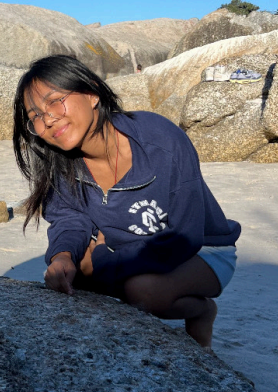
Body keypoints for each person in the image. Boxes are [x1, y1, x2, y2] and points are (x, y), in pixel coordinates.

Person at [12, 55, 240, 348]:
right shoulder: (62, 161)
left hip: (201, 249)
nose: (48, 120)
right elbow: (69, 217)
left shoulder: (159, 140)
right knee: (73, 273)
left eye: (55, 101)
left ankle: (201, 311)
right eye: (35, 117)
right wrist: (63, 256)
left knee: (142, 291)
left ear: (92, 93)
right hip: (126, 252)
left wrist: (104, 260)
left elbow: (185, 236)